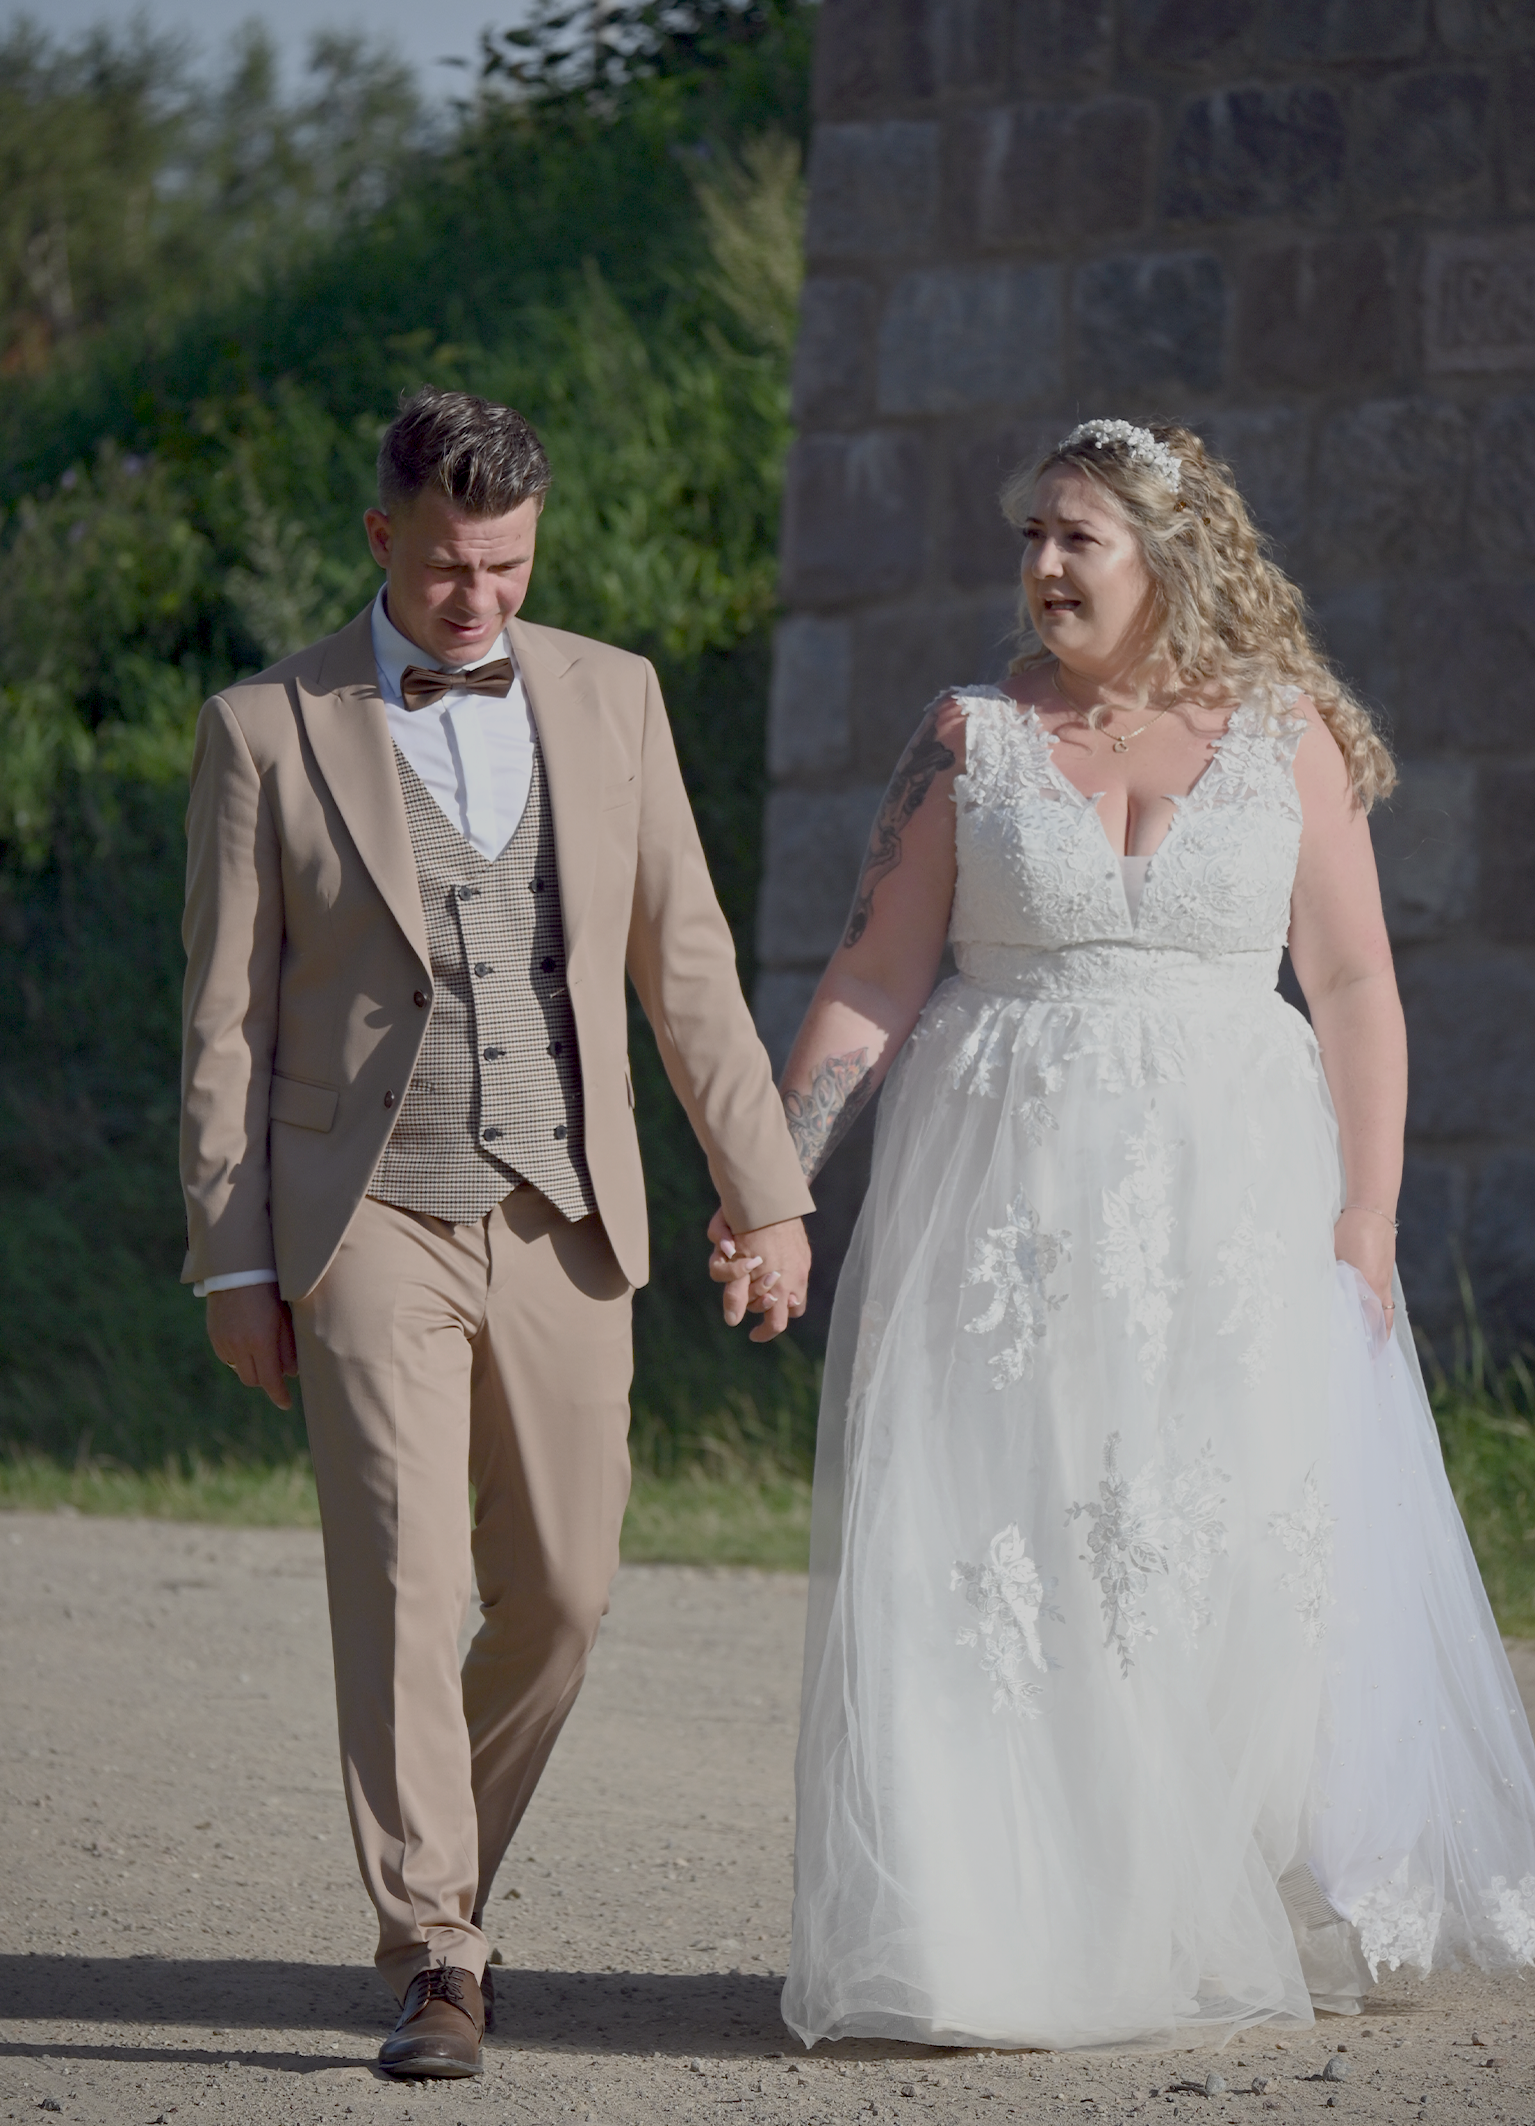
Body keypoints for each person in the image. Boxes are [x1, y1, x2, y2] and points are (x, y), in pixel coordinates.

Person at [716, 419, 1535, 2050]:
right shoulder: (968, 737)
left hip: (1232, 1216)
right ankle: (983, 1937)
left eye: (1072, 537)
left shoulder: (1285, 736)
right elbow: (872, 975)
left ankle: (1188, 1903)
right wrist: (772, 1182)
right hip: (1002, 1214)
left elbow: (1352, 982)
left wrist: (1366, 1212)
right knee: (1003, 1548)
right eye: (1029, 535)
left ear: (1165, 553)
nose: (1038, 565)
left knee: (1211, 1550)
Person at [181, 387, 812, 2079]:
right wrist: (233, 1255)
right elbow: (225, 1019)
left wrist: (764, 1189)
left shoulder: (614, 695)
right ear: (381, 534)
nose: (479, 598)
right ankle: (435, 1948)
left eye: (508, 566)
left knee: (566, 1591)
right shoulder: (265, 726)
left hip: (564, 1204)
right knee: (403, 1569)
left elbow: (685, 962)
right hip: (362, 1209)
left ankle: (440, 1870)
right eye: (450, 565)